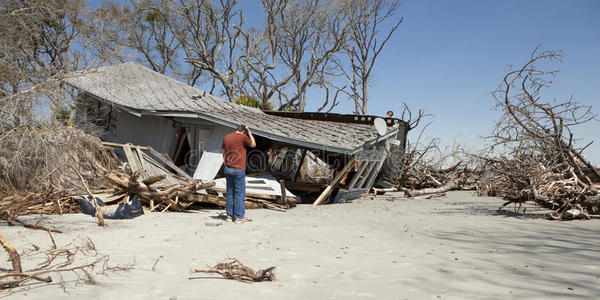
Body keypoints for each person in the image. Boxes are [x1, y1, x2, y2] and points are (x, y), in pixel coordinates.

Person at [222, 124, 256, 223]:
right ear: (244, 131)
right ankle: (239, 217)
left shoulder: (226, 137)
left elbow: (223, 152)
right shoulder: (243, 137)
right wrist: (249, 132)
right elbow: (253, 144)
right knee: (240, 194)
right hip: (238, 168)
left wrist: (225, 163)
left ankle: (229, 216)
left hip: (228, 168)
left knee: (230, 193)